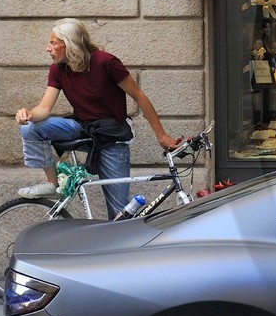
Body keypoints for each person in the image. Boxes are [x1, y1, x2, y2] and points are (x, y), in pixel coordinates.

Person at [14, 19, 180, 217]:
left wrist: (161, 135)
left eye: (53, 43)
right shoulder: (58, 69)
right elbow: (44, 108)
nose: (47, 48)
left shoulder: (105, 62)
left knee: (119, 216)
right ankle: (53, 183)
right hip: (83, 128)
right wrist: (29, 115)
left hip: (112, 138)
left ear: (69, 44)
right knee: (30, 128)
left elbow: (139, 96)